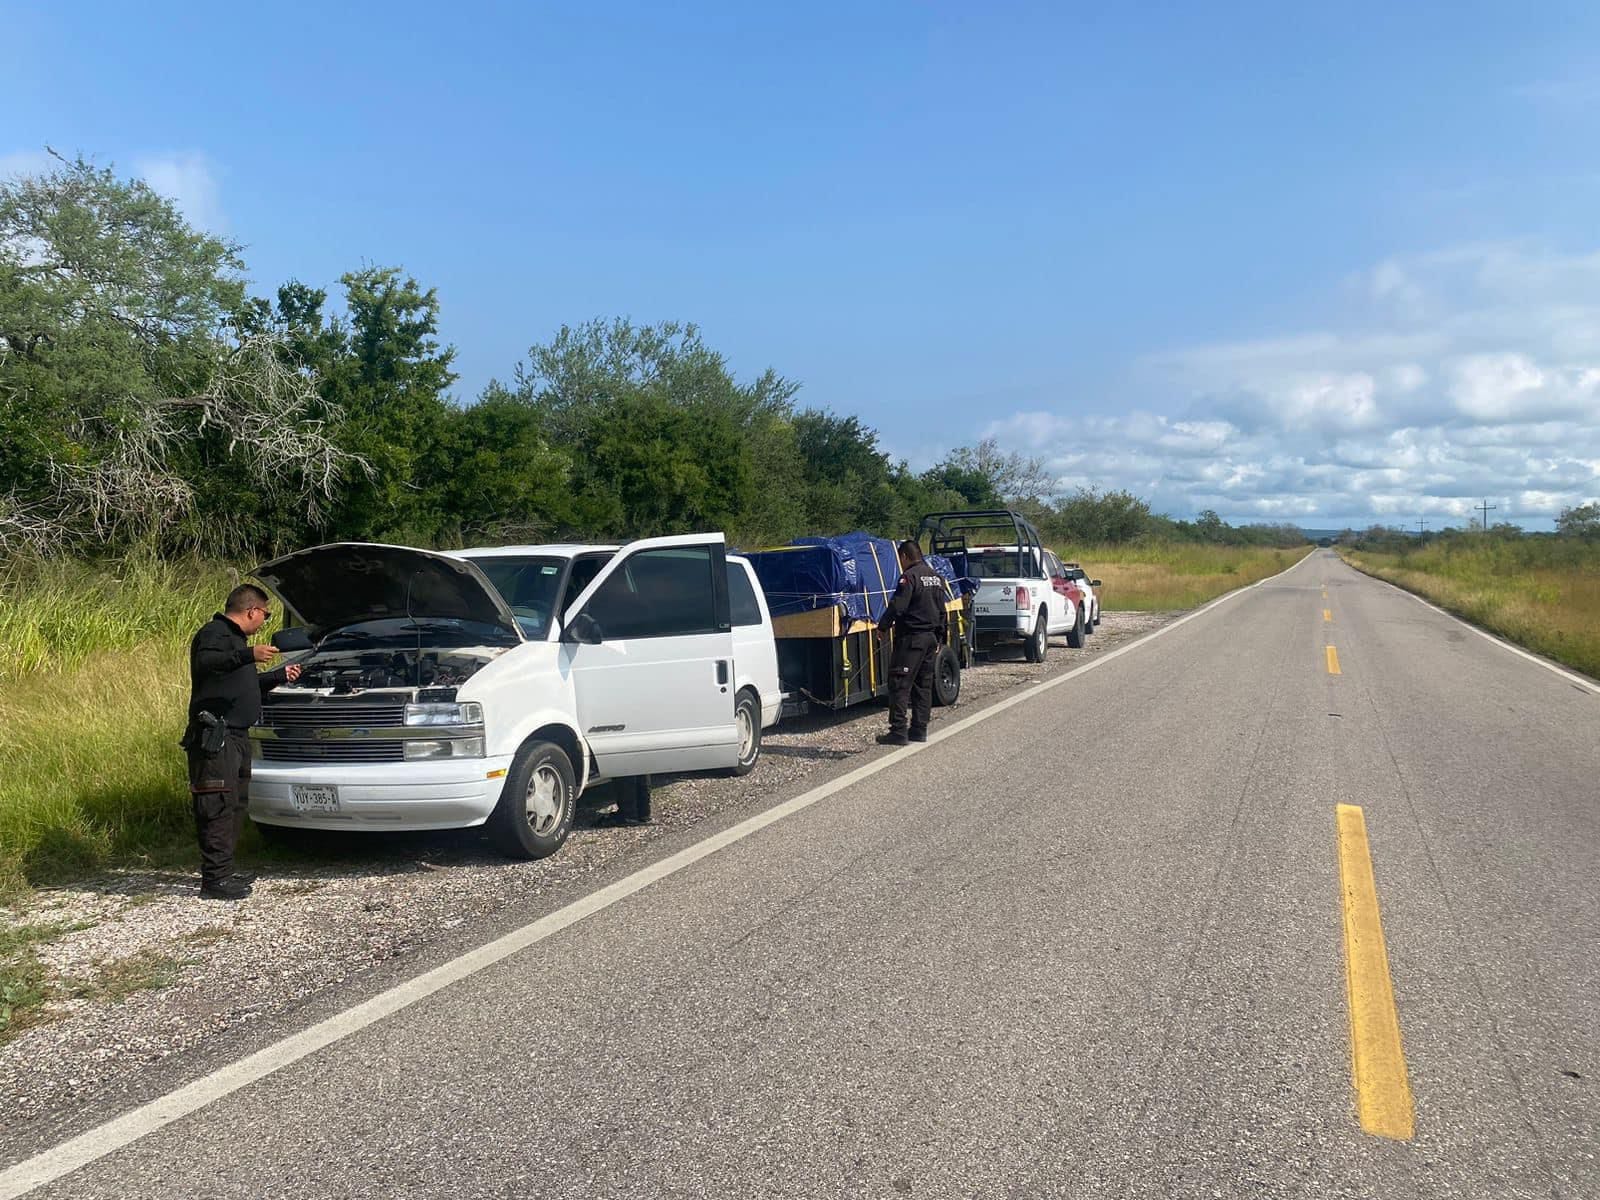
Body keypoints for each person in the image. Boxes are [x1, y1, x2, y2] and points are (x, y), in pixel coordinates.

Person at [184, 584, 301, 900]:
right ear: (252, 610)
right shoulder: (214, 634)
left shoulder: (235, 642)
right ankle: (214, 882)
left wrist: (277, 677)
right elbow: (205, 664)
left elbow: (242, 685)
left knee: (235, 806)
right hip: (215, 739)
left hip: (237, 737)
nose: (265, 621)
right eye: (265, 614)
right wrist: (248, 654)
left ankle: (225, 872)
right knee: (217, 807)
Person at [875, 539, 947, 746]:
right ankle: (919, 729)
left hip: (912, 639)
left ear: (905, 556)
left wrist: (882, 626)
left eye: (900, 559)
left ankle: (898, 731)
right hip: (931, 639)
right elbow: (943, 610)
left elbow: (898, 606)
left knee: (899, 683)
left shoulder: (909, 577)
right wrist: (940, 638)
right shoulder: (935, 577)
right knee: (923, 685)